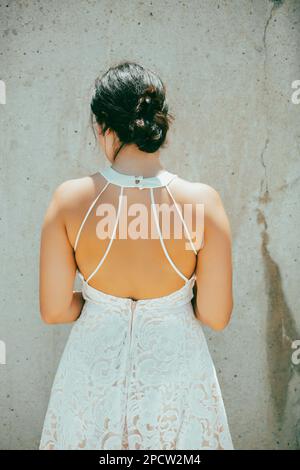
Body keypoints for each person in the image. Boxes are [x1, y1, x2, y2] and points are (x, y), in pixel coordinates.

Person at [39, 61, 234, 450]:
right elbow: (215, 315)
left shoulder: (70, 200)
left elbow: (54, 310)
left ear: (102, 126)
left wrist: (101, 303)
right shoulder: (202, 202)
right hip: (175, 378)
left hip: (92, 374)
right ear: (159, 124)